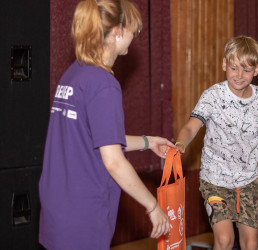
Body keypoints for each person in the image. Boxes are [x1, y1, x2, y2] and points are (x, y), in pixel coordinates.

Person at [38, 1, 172, 249]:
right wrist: (152, 206)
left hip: (58, 208)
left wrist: (148, 142)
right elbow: (113, 161)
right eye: (134, 30)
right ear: (118, 31)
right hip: (83, 214)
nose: (134, 37)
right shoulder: (104, 85)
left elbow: (98, 138)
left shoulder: (74, 73)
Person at [174, 35, 258, 250]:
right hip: (215, 180)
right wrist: (181, 144)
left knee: (251, 242)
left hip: (248, 180)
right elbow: (192, 126)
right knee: (225, 240)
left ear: (257, 69)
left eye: (247, 70)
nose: (240, 75)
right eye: (234, 68)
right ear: (224, 64)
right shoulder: (213, 96)